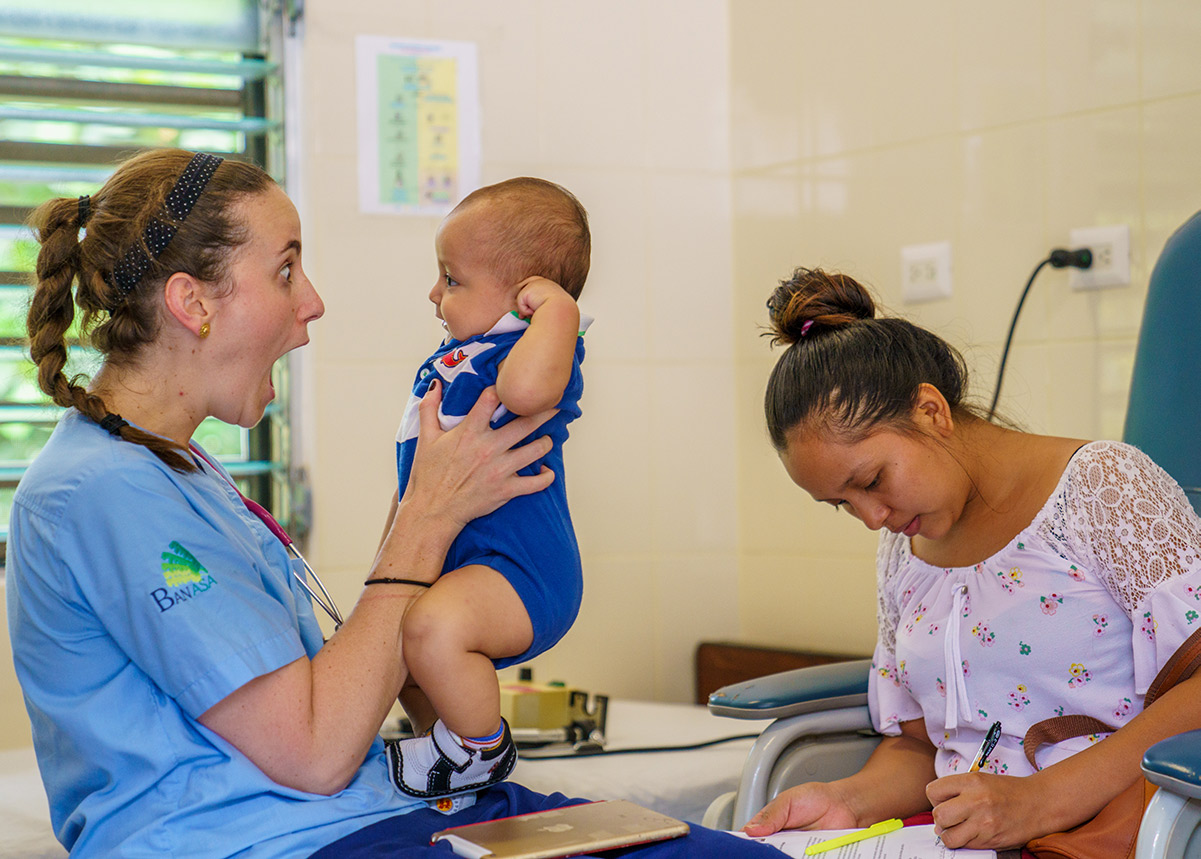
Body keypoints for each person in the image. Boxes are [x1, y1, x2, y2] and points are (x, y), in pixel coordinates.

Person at [6, 148, 780, 859]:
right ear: (192, 302)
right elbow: (312, 751)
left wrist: (432, 532)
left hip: (377, 811)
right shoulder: (101, 490)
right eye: (285, 270)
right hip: (272, 840)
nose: (311, 303)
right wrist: (427, 515)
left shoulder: (177, 470)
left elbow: (333, 697)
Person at [742, 267, 1201, 852]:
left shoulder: (1102, 489)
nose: (871, 518)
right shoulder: (904, 548)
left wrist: (1041, 800)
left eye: (873, 480)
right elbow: (921, 748)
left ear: (931, 412)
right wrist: (845, 800)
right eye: (841, 504)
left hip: (1102, 834)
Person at [387, 177, 591, 799]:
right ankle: (447, 747)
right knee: (394, 642)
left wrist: (558, 311)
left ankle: (480, 748)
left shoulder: (538, 351)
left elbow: (527, 395)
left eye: (451, 279)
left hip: (524, 572)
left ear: (524, 299)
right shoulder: (464, 355)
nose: (434, 292)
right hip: (469, 563)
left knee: (432, 628)